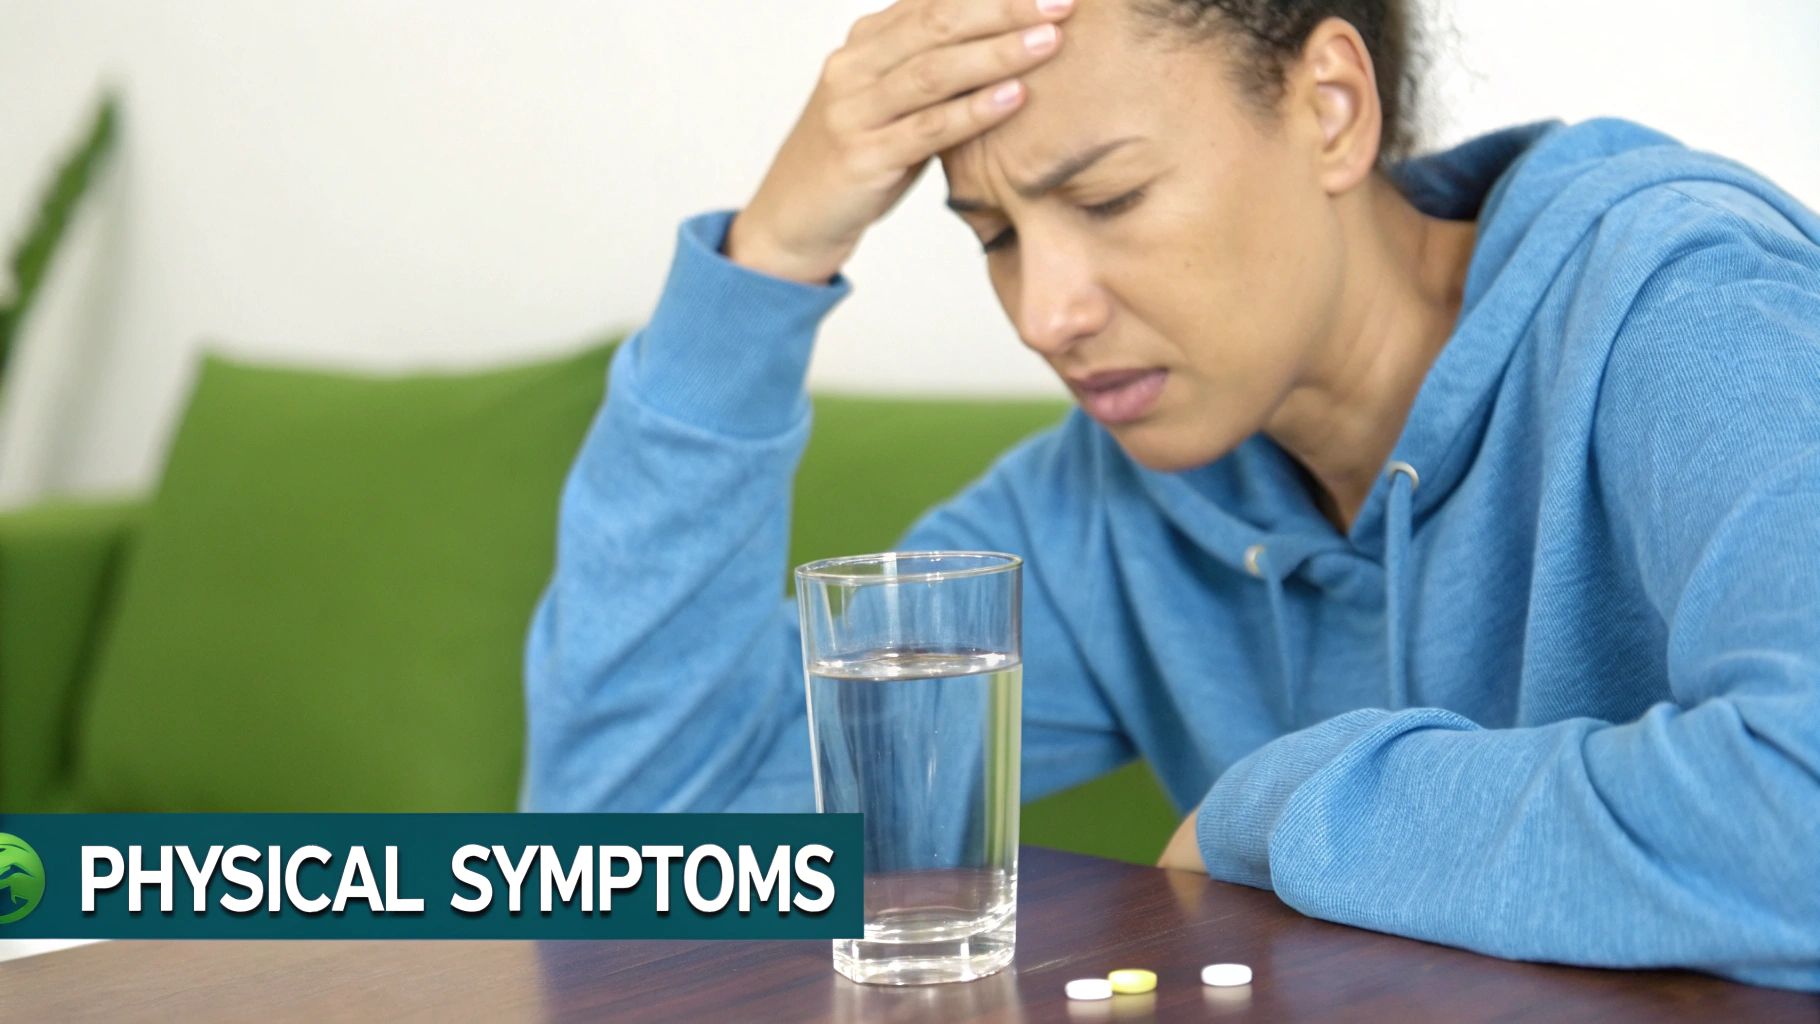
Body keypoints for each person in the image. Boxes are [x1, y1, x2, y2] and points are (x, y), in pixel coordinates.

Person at [522, 0, 1820, 991]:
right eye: (996, 237)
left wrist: (1288, 805)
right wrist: (770, 260)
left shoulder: (1685, 311)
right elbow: (624, 879)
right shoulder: (1111, 506)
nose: (1046, 314)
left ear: (1328, 109)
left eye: (1109, 196)